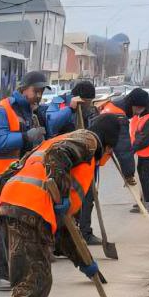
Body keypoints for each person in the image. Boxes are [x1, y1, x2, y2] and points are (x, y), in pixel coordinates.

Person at [0, 116, 121, 297]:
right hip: (28, 209)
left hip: (16, 206)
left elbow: (66, 228)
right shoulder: (88, 140)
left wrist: (84, 262)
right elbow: (58, 156)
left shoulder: (68, 143)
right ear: (110, 146)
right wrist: (58, 191)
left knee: (36, 279)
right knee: (34, 281)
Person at [0, 71, 49, 291]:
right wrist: (26, 137)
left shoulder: (26, 113)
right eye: (35, 91)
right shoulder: (1, 111)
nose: (38, 96)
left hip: (11, 181)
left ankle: (6, 271)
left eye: (41, 92)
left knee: (9, 228)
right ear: (23, 88)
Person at [45, 80, 102, 245]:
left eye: (91, 102)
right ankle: (58, 240)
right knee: (63, 200)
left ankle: (85, 233)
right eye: (86, 102)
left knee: (88, 196)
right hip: (61, 159)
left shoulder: (91, 110)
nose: (88, 105)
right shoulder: (59, 103)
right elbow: (51, 124)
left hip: (84, 159)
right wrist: (70, 109)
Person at [97, 91, 137, 186]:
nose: (136, 114)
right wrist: (129, 175)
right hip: (95, 153)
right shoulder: (118, 116)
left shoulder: (111, 106)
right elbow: (123, 149)